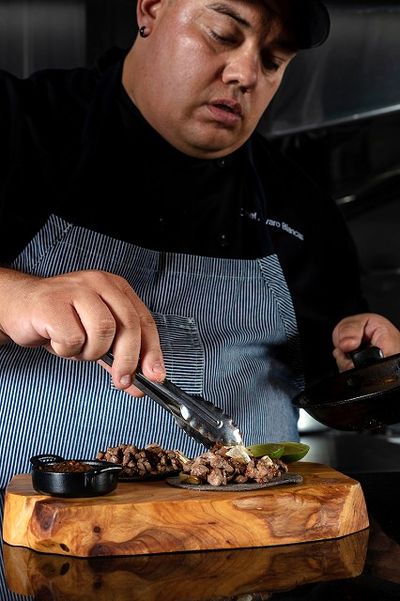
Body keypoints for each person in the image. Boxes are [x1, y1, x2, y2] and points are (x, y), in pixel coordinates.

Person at [1, 0, 400, 493]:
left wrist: (362, 361)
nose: (246, 74)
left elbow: (336, 385)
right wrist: (13, 296)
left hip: (253, 548)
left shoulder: (303, 210)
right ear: (150, 8)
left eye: (273, 61)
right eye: (221, 34)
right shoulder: (19, 127)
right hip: (36, 545)